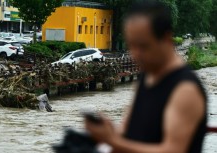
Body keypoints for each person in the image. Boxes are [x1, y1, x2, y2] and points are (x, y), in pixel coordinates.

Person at [85, 1, 207, 153]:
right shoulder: (147, 77)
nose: (136, 54)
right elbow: (127, 131)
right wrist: (107, 134)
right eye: (132, 46)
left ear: (166, 39)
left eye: (143, 46)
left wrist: (112, 141)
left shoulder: (185, 90)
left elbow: (174, 150)